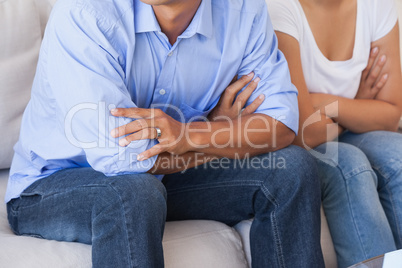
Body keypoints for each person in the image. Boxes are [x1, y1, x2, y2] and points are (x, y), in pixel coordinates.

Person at [5, 0, 325, 267]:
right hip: (52, 186)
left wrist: (192, 135)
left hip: (160, 179)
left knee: (291, 169)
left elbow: (281, 125)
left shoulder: (243, 10)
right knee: (133, 192)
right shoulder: (86, 13)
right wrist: (218, 134)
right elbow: (125, 159)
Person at [267, 0, 402, 266]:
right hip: (296, 145)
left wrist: (328, 104)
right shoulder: (279, 8)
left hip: (340, 130)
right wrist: (357, 106)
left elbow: (390, 115)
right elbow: (300, 133)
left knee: (397, 152)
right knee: (348, 164)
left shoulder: (378, 5)